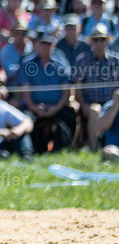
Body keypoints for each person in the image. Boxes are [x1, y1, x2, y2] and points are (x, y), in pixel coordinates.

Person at [17, 30, 77, 153]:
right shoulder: (27, 63)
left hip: (57, 107)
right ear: (37, 44)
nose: (45, 47)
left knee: (70, 117)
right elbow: (25, 90)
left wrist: (55, 108)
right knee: (24, 119)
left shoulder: (62, 64)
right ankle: (29, 151)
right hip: (33, 107)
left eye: (48, 44)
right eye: (43, 43)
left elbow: (66, 92)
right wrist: (34, 107)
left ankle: (65, 148)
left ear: (53, 46)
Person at [74, 23, 119, 152]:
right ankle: (94, 149)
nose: (99, 43)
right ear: (91, 42)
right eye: (96, 39)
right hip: (92, 103)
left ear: (107, 41)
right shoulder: (83, 60)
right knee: (95, 110)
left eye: (102, 39)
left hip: (113, 103)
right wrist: (83, 105)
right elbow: (78, 86)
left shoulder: (116, 60)